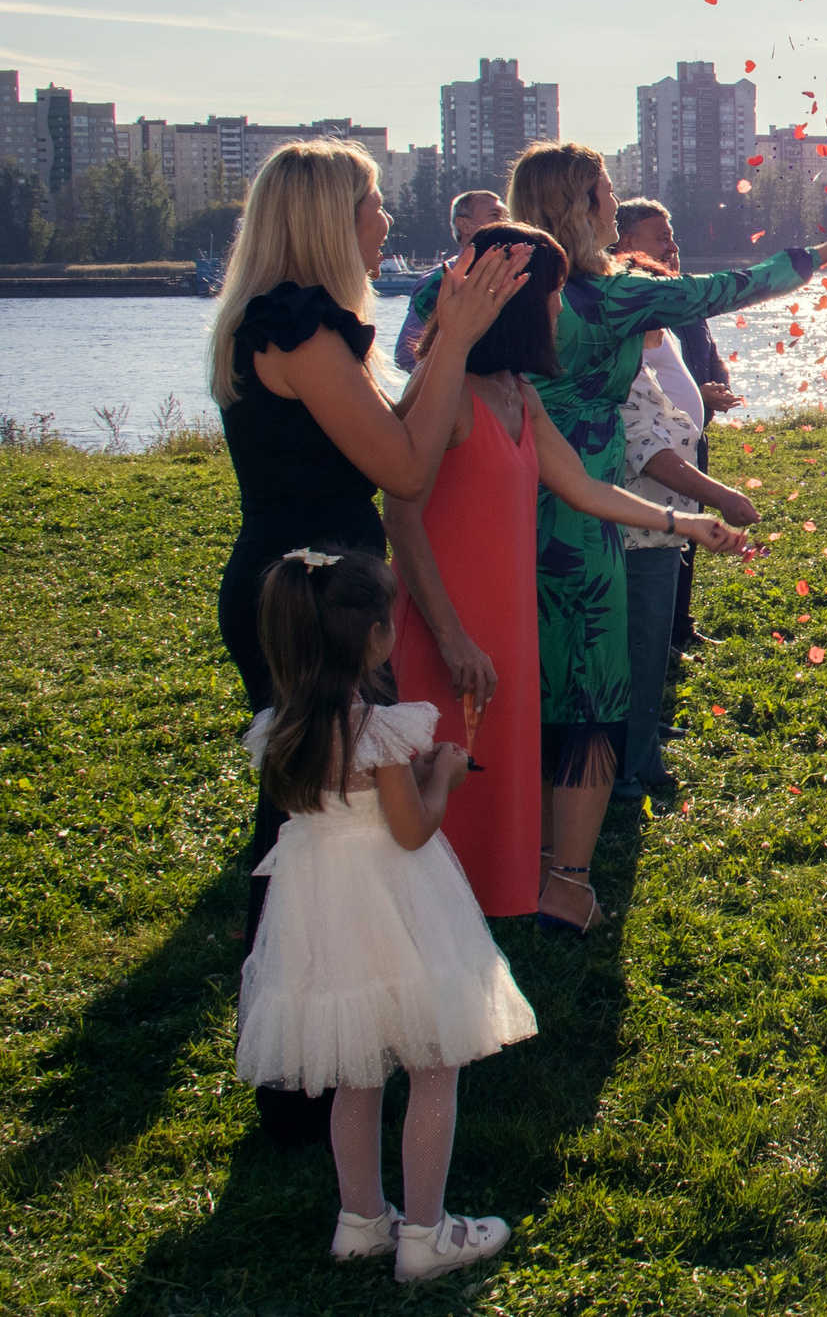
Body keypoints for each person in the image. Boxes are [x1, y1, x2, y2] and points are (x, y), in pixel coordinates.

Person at [412, 142, 827, 933]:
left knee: (511, 681)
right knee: (595, 693)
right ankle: (563, 876)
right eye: (605, 191)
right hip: (581, 511)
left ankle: (491, 852)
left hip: (487, 502)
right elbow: (726, 288)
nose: (615, 201)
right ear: (583, 205)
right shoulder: (610, 301)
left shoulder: (467, 277)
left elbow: (414, 354)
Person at [208, 140, 529, 1145]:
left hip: (319, 586)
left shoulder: (301, 327)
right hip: (309, 601)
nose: (388, 221)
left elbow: (406, 461)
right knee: (313, 830)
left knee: (314, 820)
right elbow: (402, 463)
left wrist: (443, 354)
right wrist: (454, 347)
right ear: (326, 219)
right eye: (375, 204)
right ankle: (307, 1072)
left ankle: (324, 1059)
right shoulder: (300, 331)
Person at [384, 224, 751, 927]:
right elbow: (401, 518)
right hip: (449, 613)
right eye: (552, 296)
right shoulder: (445, 385)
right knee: (445, 755)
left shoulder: (516, 390)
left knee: (497, 756)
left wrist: (687, 525)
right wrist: (452, 637)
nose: (561, 311)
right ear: (516, 302)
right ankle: (429, 917)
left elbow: (584, 489)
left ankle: (496, 899)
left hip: (507, 611)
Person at [231, 548, 535, 1285]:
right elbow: (409, 830)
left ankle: (361, 1219)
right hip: (393, 901)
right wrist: (444, 774)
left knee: (355, 1067)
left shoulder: (281, 729)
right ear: (375, 636)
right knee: (434, 1062)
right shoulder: (381, 729)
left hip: (322, 912)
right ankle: (427, 1233)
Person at [618, 338, 758, 800]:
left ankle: (643, 747)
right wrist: (720, 497)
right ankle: (628, 768)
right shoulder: (620, 371)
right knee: (640, 643)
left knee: (652, 644)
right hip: (640, 529)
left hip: (662, 527)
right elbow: (646, 449)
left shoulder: (639, 362)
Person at [613, 200, 745, 652]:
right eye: (661, 238)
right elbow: (640, 426)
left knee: (677, 552)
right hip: (652, 464)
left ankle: (675, 628)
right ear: (628, 243)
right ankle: (661, 640)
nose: (672, 248)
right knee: (658, 554)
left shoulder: (674, 304)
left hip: (685, 442)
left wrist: (713, 389)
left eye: (672, 238)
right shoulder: (632, 312)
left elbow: (699, 355)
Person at [393, 191, 508, 373]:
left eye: (506, 216)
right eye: (495, 216)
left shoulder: (510, 275)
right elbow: (407, 354)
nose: (506, 223)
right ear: (463, 224)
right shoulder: (439, 281)